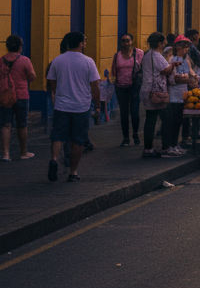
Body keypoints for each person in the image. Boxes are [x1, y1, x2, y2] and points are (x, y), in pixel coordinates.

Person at [46, 31, 99, 182]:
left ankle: (54, 159)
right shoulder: (88, 61)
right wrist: (97, 103)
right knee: (78, 140)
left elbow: (52, 84)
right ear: (81, 43)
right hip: (81, 107)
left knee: (57, 136)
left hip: (62, 106)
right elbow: (94, 86)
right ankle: (73, 172)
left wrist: (60, 96)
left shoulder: (57, 60)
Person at [1, 34, 36, 161]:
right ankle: (23, 152)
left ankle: (6, 154)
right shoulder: (25, 60)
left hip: (5, 95)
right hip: (21, 95)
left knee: (5, 124)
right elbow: (32, 76)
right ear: (20, 47)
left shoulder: (1, 60)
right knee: (22, 125)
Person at [141, 32, 172, 158]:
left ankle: (148, 149)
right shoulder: (156, 56)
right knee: (166, 119)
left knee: (150, 121)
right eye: (163, 42)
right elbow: (166, 70)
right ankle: (166, 147)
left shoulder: (147, 54)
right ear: (160, 44)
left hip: (148, 90)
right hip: (156, 93)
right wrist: (173, 65)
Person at [110, 32, 144, 146]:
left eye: (128, 40)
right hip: (121, 87)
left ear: (132, 42)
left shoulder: (139, 53)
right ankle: (126, 138)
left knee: (134, 112)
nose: (125, 43)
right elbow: (114, 71)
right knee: (124, 114)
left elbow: (143, 68)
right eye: (123, 41)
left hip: (134, 87)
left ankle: (135, 133)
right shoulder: (117, 55)